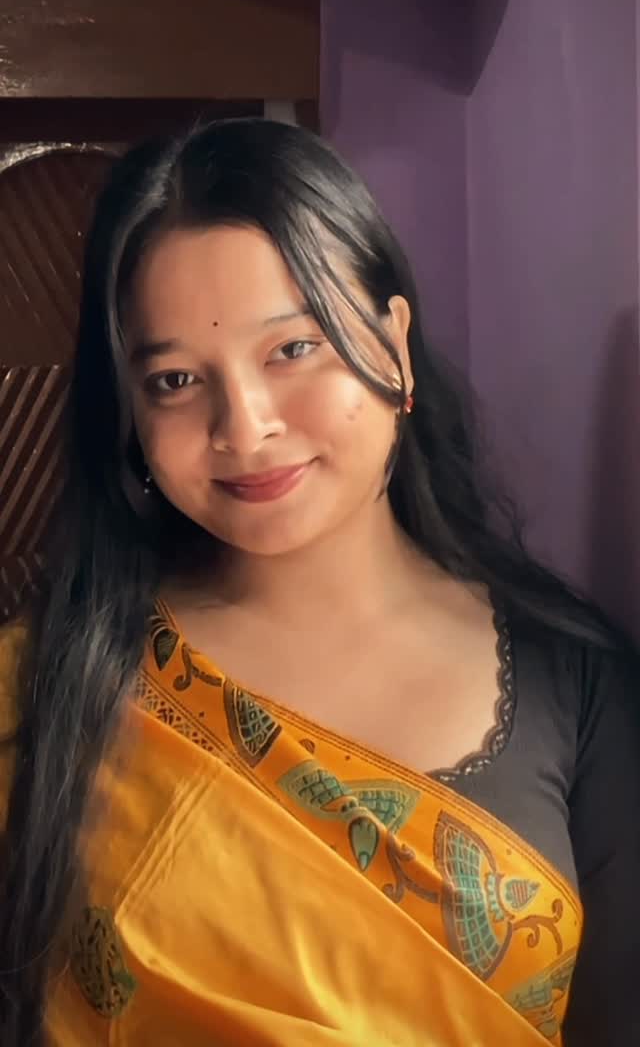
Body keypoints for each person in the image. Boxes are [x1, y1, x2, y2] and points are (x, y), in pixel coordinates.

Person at [0, 119, 638, 1047]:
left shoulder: (582, 691)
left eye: (293, 349)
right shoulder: (49, 678)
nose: (245, 426)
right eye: (175, 380)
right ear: (131, 414)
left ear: (395, 345)